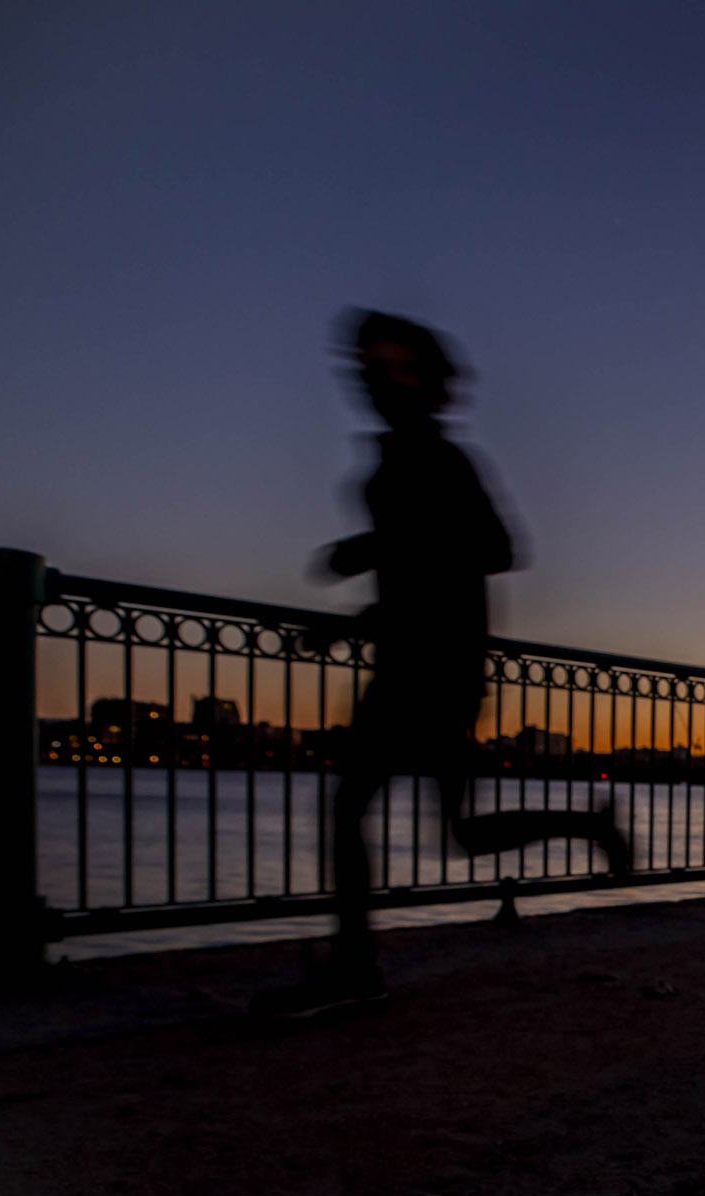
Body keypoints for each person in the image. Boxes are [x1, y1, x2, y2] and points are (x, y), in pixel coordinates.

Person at [253, 311, 629, 1019]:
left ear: (428, 382)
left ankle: (355, 968)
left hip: (438, 671)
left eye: (396, 367)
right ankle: (589, 826)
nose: (377, 379)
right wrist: (353, 619)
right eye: (369, 367)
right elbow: (417, 586)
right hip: (419, 662)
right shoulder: (394, 462)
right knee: (451, 833)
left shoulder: (442, 459)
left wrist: (368, 549)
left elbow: (495, 549)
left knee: (352, 811)